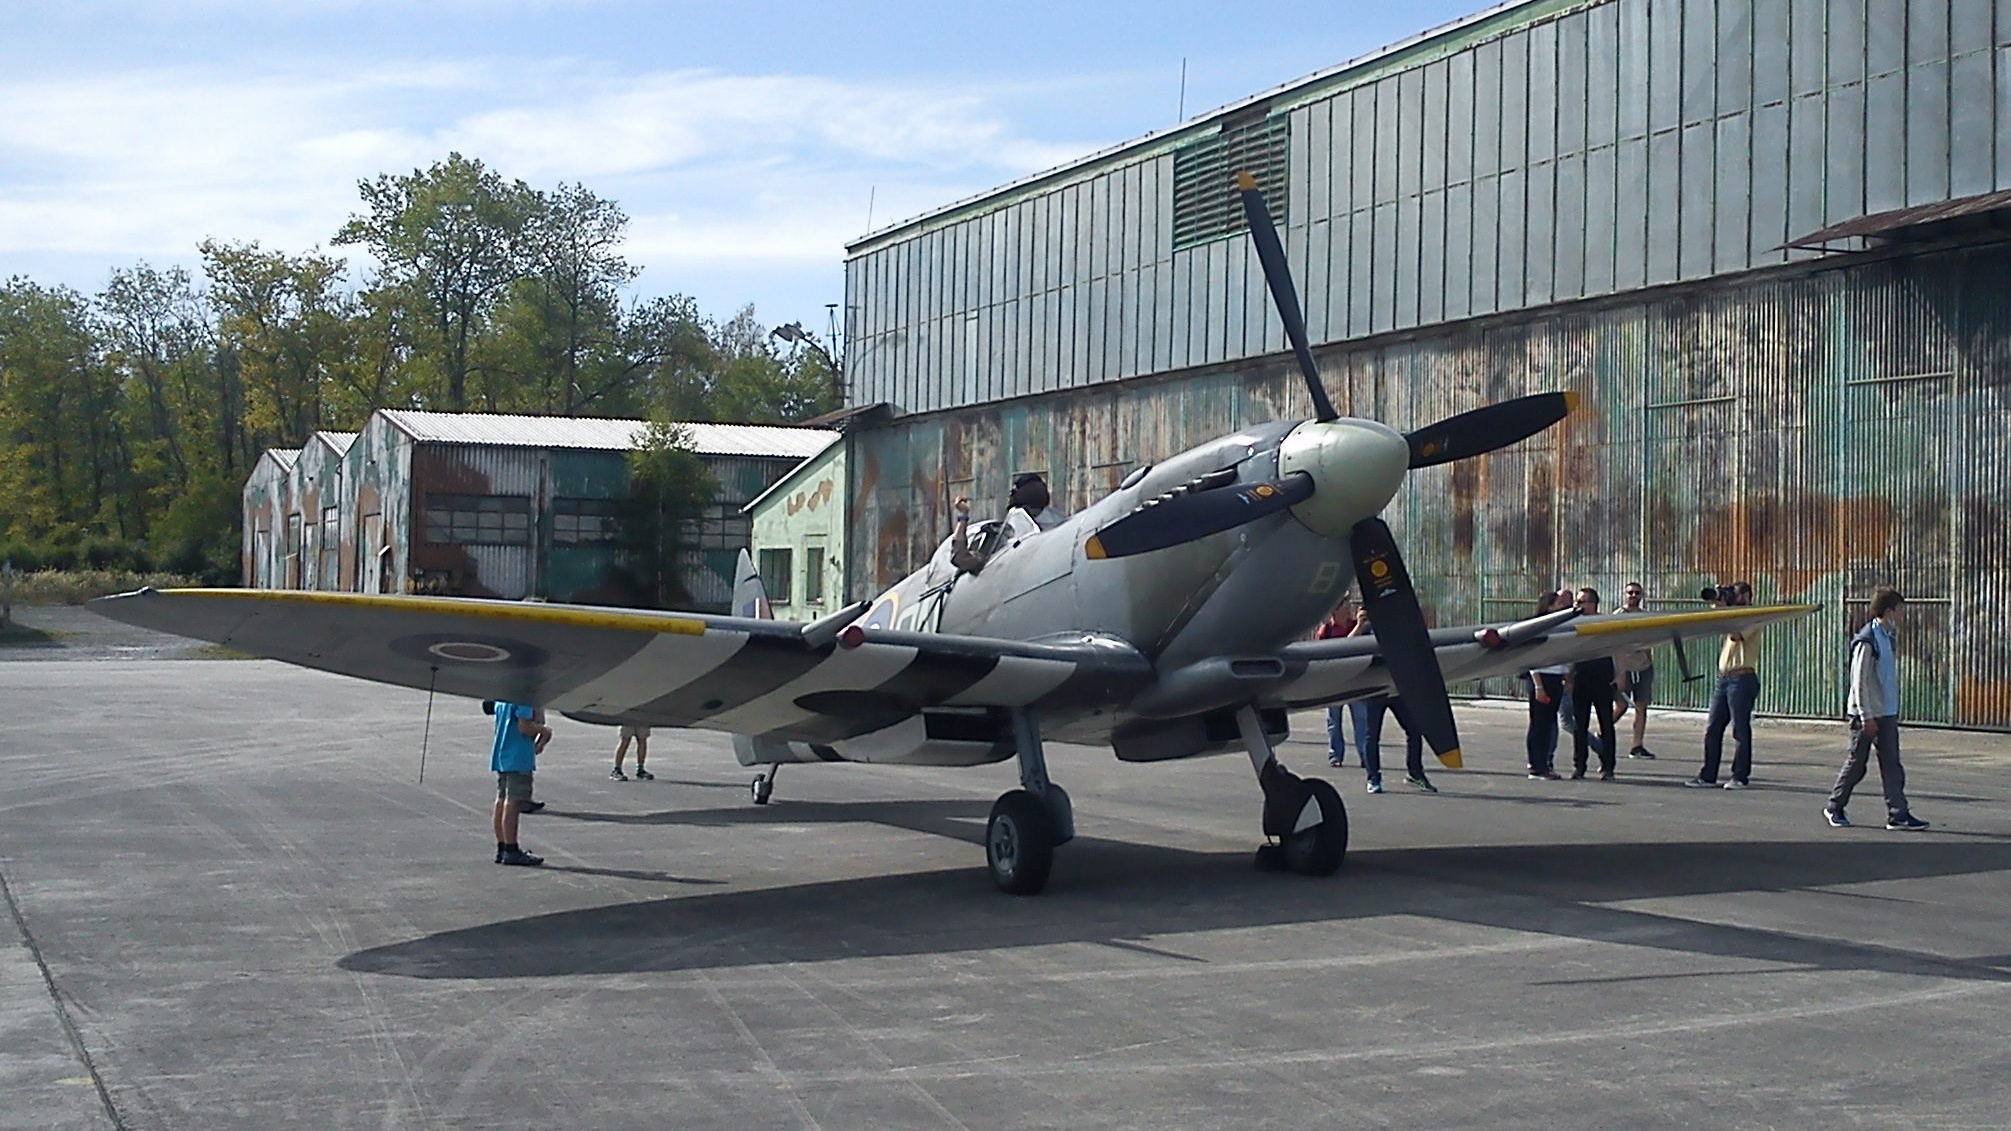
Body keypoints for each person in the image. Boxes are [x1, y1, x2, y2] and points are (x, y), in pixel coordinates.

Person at [1825, 590, 1930, 830]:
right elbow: (1859, 681)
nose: (1902, 615)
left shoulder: (1887, 636)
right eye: (1899, 610)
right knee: (1857, 764)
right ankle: (1835, 806)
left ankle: (1898, 814)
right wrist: (1866, 716)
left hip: (1887, 713)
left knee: (1892, 765)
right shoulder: (1868, 639)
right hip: (1867, 715)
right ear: (1889, 611)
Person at [1347, 607, 1435, 793]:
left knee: (1414, 729)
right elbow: (1347, 647)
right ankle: (1373, 778)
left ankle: (1415, 773)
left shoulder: (1397, 627)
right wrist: (1359, 624)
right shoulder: (1366, 630)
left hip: (1396, 690)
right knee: (1372, 736)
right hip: (1374, 691)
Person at [1687, 581, 1761, 789]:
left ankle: (1740, 776)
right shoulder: (1732, 616)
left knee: (1740, 729)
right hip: (1724, 678)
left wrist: (1726, 611)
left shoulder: (1754, 616)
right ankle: (1708, 775)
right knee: (1713, 728)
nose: (1732, 598)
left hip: (1742, 678)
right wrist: (1720, 607)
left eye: (1735, 594)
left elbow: (1735, 635)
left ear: (1746, 596)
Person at [490, 699, 551, 866]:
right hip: (518, 756)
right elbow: (524, 727)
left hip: (503, 753)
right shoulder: (524, 699)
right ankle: (511, 848)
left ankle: (502, 846)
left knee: (501, 799)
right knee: (513, 802)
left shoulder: (502, 698)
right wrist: (544, 732)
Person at [1567, 587, 1619, 780]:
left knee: (1606, 722)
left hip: (1602, 677)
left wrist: (1619, 674)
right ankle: (1579, 765)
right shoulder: (1574, 624)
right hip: (1582, 678)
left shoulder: (1604, 622)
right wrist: (1569, 677)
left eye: (1583, 602)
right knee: (1579, 724)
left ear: (1593, 604)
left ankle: (1608, 766)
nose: (1578, 606)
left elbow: (1616, 648)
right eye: (1577, 602)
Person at [1524, 590, 1569, 780]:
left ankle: (1543, 763)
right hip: (1542, 678)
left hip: (1556, 677)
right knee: (1539, 723)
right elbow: (1532, 658)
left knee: (1548, 722)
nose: (1563, 606)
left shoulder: (1562, 626)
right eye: (1559, 603)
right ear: (1549, 606)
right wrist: (1539, 687)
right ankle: (1537, 765)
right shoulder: (1538, 627)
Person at [1613, 581, 1657, 758]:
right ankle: (1602, 732)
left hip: (1642, 666)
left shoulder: (1645, 617)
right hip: (1624, 667)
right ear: (1625, 594)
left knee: (1642, 706)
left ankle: (1637, 745)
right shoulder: (1618, 615)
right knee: (1621, 705)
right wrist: (1619, 672)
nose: (1633, 596)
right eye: (1630, 592)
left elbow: (1649, 642)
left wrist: (1649, 660)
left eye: (1637, 593)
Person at [1315, 602, 1355, 768]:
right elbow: (1320, 653)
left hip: (1355, 680)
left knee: (1361, 720)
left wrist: (1360, 625)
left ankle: (1365, 756)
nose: (1348, 611)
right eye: (1344, 608)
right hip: (1334, 683)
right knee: (1334, 721)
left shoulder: (1357, 625)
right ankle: (1335, 755)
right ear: (1335, 612)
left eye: (1348, 608)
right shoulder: (1327, 630)